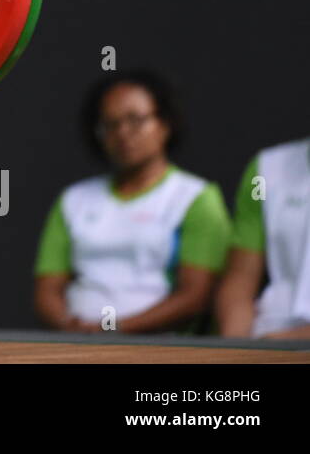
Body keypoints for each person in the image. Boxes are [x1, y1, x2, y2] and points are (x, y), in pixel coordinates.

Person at [32, 70, 232, 334]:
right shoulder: (73, 200)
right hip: (77, 347)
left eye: (135, 120)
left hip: (161, 348)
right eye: (110, 124)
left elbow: (196, 297)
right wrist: (70, 327)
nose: (123, 133)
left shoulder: (195, 198)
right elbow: (47, 290)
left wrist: (115, 331)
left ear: (164, 124)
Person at [214, 135, 310, 339]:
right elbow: (241, 277)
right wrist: (235, 352)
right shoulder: (264, 173)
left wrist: (288, 341)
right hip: (269, 333)